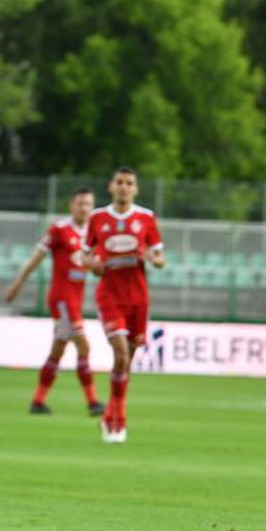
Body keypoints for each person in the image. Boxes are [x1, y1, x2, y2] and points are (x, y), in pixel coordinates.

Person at [4, 188, 104, 416]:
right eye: (80, 203)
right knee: (83, 345)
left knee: (58, 350)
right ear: (72, 205)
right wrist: (17, 285)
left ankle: (38, 402)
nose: (84, 208)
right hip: (61, 299)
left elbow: (93, 267)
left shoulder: (93, 234)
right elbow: (35, 259)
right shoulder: (59, 229)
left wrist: (98, 268)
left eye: (88, 204)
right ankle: (93, 402)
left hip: (75, 300)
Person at [84, 167, 166, 443]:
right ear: (110, 186)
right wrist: (94, 265)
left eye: (129, 183)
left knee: (126, 362)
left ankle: (110, 413)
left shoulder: (146, 218)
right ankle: (119, 421)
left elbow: (160, 258)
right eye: (119, 182)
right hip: (110, 295)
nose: (124, 187)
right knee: (119, 354)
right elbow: (85, 258)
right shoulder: (98, 219)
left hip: (137, 298)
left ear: (136, 189)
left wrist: (151, 258)